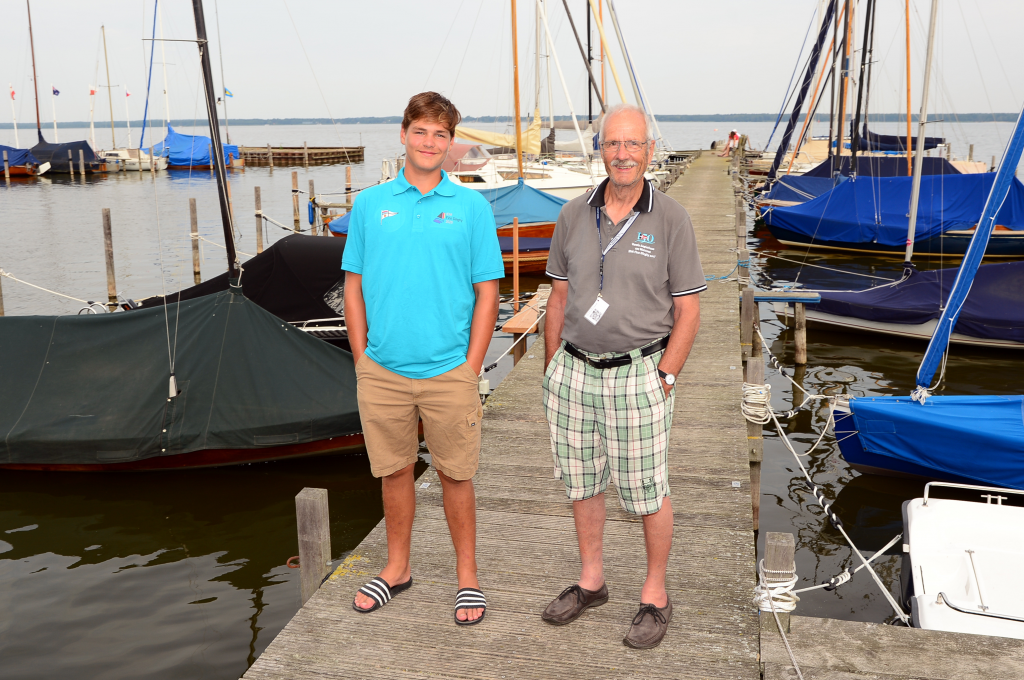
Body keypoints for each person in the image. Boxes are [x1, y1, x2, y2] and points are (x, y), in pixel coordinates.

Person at [540, 103, 704, 649]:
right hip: (573, 372)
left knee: (647, 491)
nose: (623, 154)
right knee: (582, 481)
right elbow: (558, 299)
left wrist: (666, 376)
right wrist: (551, 368)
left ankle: (655, 594)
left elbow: (689, 310)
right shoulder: (573, 214)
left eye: (633, 143)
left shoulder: (672, 218)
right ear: (601, 150)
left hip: (639, 373)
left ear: (649, 151)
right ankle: (592, 581)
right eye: (613, 143)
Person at [343, 92, 504, 626]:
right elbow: (353, 285)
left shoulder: (472, 208)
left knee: (456, 475)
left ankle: (467, 577)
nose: (430, 142)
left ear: (451, 143)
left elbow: (488, 291)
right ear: (404, 134)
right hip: (382, 371)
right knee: (393, 472)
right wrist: (362, 358)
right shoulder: (371, 205)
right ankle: (397, 569)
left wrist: (471, 366)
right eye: (421, 131)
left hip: (449, 371)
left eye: (441, 134)